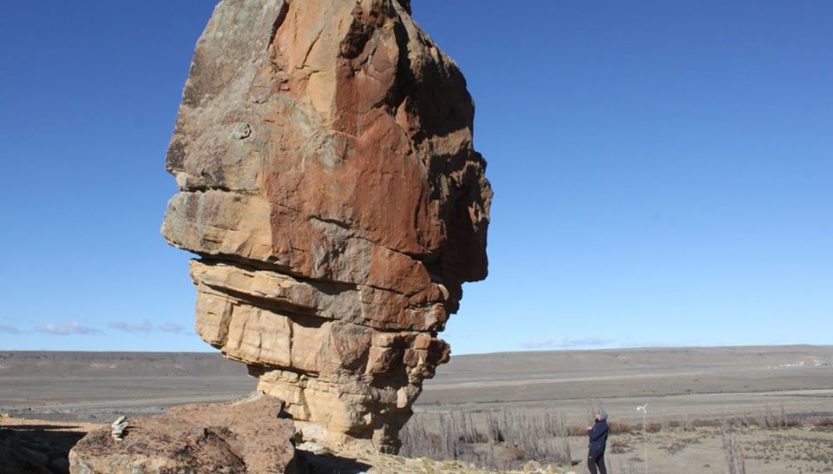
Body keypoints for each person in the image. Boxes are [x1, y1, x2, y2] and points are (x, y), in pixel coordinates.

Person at [586, 408, 609, 474]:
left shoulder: (601, 425)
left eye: (598, 413)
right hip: (600, 447)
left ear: (601, 416)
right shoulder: (600, 424)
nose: (597, 414)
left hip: (595, 448)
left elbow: (593, 436)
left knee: (590, 463)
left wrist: (589, 430)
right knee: (601, 464)